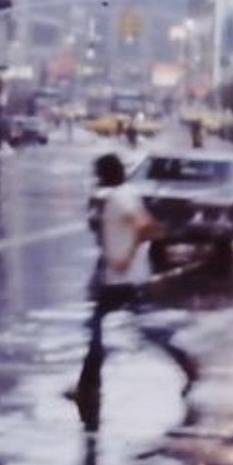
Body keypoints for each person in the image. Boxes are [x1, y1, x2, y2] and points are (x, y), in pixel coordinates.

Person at [68, 152, 197, 427]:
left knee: (111, 331)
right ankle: (88, 385)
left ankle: (186, 363)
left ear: (105, 174)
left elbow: (144, 228)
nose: (96, 178)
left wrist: (126, 255)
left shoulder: (119, 197)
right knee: (105, 331)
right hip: (121, 277)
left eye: (98, 173)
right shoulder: (128, 193)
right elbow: (150, 226)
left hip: (121, 279)